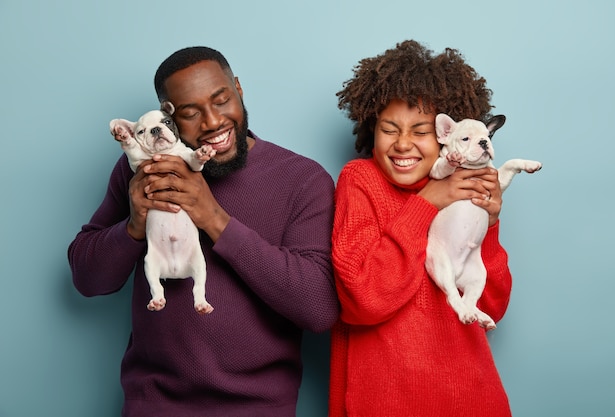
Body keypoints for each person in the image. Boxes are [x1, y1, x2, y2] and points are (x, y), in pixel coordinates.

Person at [68, 46, 338, 417]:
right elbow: (87, 279)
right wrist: (134, 224)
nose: (212, 122)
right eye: (191, 113)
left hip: (258, 408)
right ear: (170, 117)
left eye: (221, 100)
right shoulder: (145, 169)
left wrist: (212, 217)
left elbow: (318, 309)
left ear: (239, 90)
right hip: (152, 404)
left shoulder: (302, 180)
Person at [329, 40, 513, 417]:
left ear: (450, 135)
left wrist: (489, 223)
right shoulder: (360, 180)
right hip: (384, 402)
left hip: (472, 399)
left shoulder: (469, 187)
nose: (402, 144)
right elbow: (363, 298)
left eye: (420, 130)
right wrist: (428, 202)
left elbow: (491, 306)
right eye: (389, 129)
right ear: (371, 128)